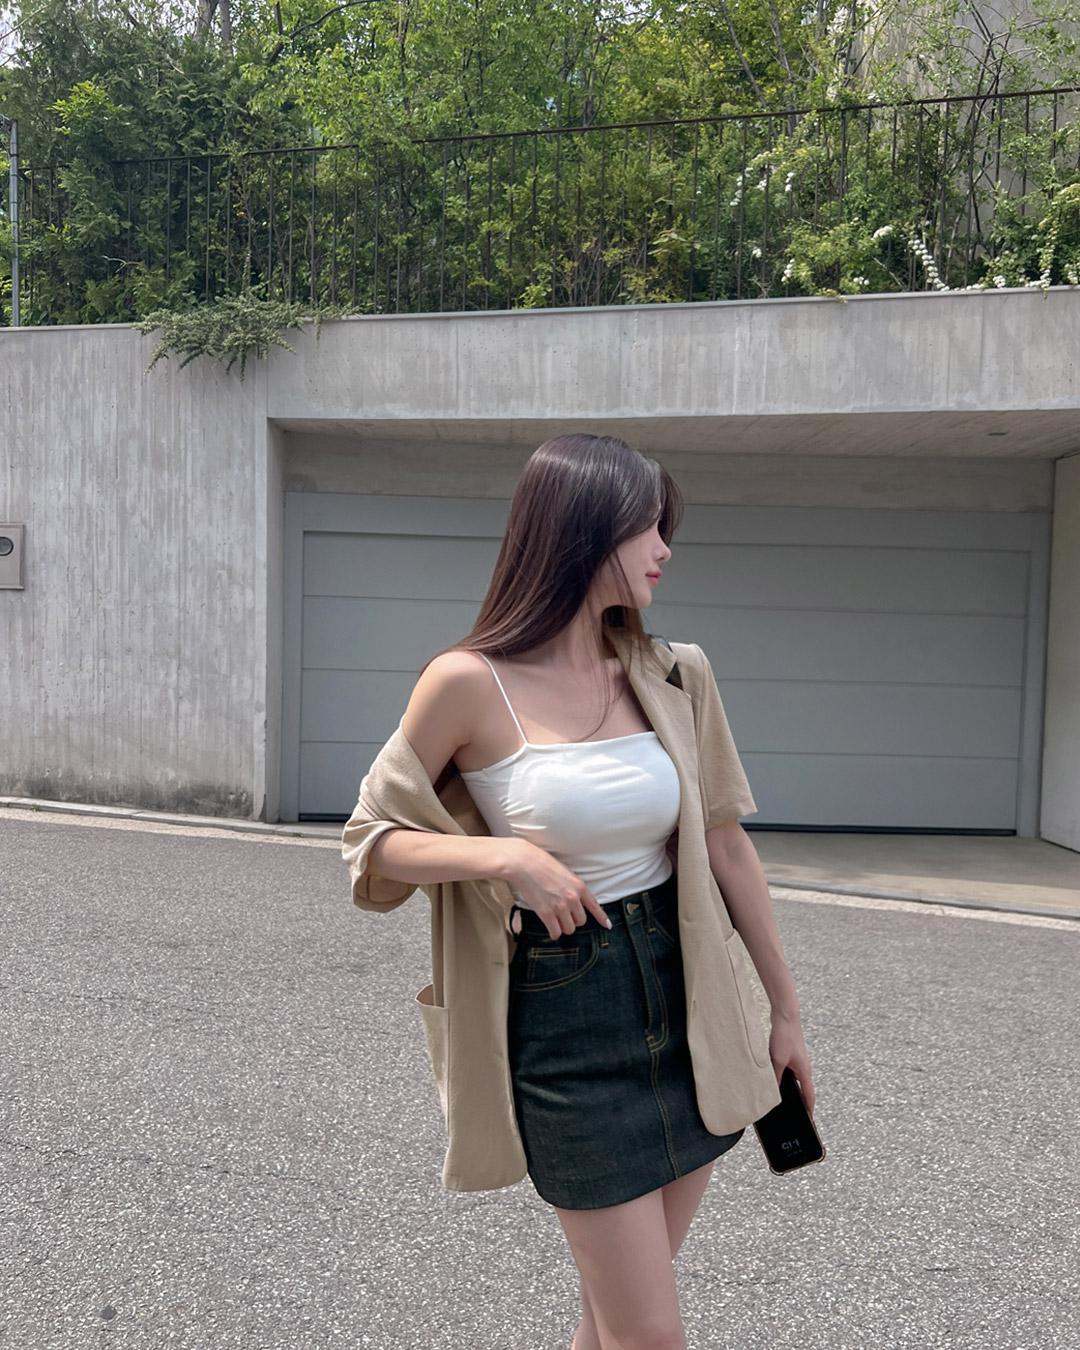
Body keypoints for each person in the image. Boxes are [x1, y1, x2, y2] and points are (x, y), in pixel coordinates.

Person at [349, 433, 815, 1350]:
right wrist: (504, 861)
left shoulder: (675, 672)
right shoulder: (467, 683)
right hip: (566, 1014)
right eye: (649, 527)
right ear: (584, 528)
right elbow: (371, 843)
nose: (665, 549)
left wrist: (786, 1013)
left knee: (612, 1322)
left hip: (691, 996)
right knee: (649, 1335)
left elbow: (726, 845)